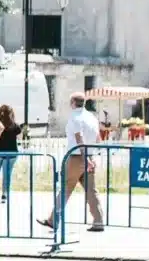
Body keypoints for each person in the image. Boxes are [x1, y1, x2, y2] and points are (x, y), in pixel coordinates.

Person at [43, 93, 107, 231]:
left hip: (77, 157)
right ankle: (98, 221)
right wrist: (92, 157)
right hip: (90, 155)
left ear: (73, 102)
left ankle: (54, 220)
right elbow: (97, 139)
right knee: (91, 191)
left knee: (66, 188)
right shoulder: (91, 117)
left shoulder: (74, 117)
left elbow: (79, 138)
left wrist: (85, 158)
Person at [0, 103, 22, 201]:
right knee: (7, 174)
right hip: (11, 153)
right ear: (11, 114)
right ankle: (4, 194)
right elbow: (20, 138)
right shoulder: (15, 126)